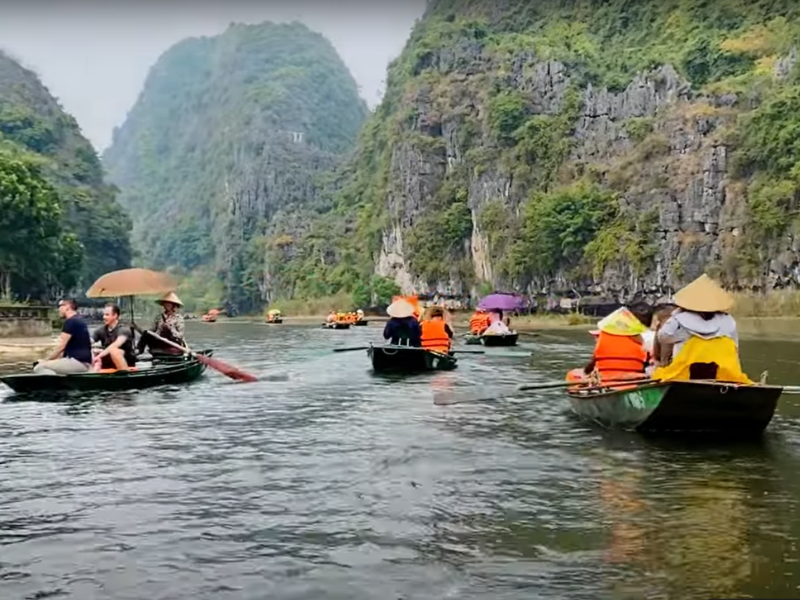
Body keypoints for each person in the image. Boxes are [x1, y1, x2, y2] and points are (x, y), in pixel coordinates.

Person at [653, 275, 748, 383]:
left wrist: (676, 312)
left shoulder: (680, 319)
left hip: (684, 376)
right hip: (723, 376)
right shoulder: (728, 321)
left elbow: (663, 337)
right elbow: (735, 348)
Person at [583, 307, 648, 378]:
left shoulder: (603, 336)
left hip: (606, 380)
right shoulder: (641, 340)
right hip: (634, 380)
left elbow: (591, 365)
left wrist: (585, 373)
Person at [34, 298, 93, 375]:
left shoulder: (71, 322)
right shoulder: (78, 320)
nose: (58, 309)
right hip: (82, 362)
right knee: (51, 366)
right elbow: (64, 350)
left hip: (78, 363)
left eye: (60, 306)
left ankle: (54, 382)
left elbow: (61, 347)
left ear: (67, 307)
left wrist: (46, 360)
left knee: (39, 367)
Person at [136, 292, 186, 356]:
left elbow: (180, 336)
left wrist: (171, 328)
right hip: (160, 341)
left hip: (172, 343)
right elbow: (151, 332)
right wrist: (137, 328)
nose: (166, 305)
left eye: (169, 303)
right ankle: (139, 350)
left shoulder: (178, 318)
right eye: (165, 303)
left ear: (173, 305)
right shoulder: (159, 317)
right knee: (147, 333)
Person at [92, 303, 136, 371]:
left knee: (114, 351)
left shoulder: (124, 330)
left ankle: (125, 372)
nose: (104, 317)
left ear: (115, 315)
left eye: (107, 315)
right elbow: (89, 341)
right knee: (93, 350)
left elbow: (116, 344)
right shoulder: (101, 330)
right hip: (109, 361)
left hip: (126, 361)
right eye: (104, 314)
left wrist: (99, 356)